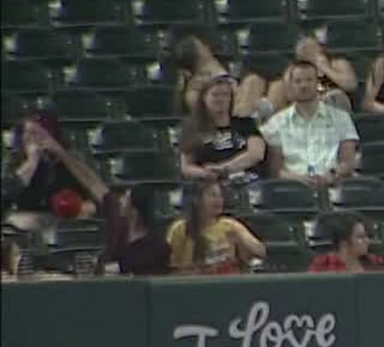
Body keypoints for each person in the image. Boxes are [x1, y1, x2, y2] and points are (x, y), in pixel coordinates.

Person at [44, 135, 171, 276]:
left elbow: (129, 269)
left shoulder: (156, 247)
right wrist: (61, 153)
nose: (120, 200)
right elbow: (91, 182)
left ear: (134, 211)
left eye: (125, 199)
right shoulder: (118, 220)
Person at [262, 61, 361, 189]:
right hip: (292, 190)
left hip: (333, 187)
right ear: (290, 86)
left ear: (317, 83)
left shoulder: (341, 118)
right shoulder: (275, 123)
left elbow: (348, 162)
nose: (304, 85)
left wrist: (330, 176)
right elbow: (275, 170)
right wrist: (299, 179)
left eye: (309, 80)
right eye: (298, 81)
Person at [3, 111, 94, 232]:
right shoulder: (14, 160)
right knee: (21, 221)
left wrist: (81, 207)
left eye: (41, 134)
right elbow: (8, 193)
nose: (36, 140)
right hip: (29, 215)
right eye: (30, 135)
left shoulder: (70, 159)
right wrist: (32, 162)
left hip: (65, 217)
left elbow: (92, 197)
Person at [178, 75, 267, 185]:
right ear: (204, 98)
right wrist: (205, 173)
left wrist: (224, 168)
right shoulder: (192, 128)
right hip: (209, 183)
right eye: (215, 95)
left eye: (225, 95)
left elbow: (256, 154)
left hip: (246, 181)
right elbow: (186, 167)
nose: (220, 99)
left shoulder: (246, 123)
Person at [166, 180, 266, 275]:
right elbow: (172, 270)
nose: (218, 200)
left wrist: (240, 239)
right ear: (196, 199)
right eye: (212, 195)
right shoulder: (179, 228)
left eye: (220, 196)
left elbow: (260, 251)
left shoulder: (230, 225)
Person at [171, 33, 267, 118]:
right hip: (226, 122)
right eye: (202, 46)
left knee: (255, 80)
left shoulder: (221, 67)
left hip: (246, 106)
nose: (207, 46)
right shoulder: (194, 89)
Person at [265, 36, 359, 115]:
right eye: (304, 51)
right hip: (306, 107)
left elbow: (351, 85)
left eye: (311, 49)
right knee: (277, 86)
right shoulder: (294, 71)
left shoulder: (337, 64)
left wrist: (325, 68)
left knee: (335, 96)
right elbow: (290, 95)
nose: (307, 52)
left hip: (334, 106)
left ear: (321, 50)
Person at [307, 213, 384, 272]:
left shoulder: (376, 262)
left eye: (366, 236)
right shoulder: (322, 265)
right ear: (344, 244)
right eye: (361, 237)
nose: (367, 241)